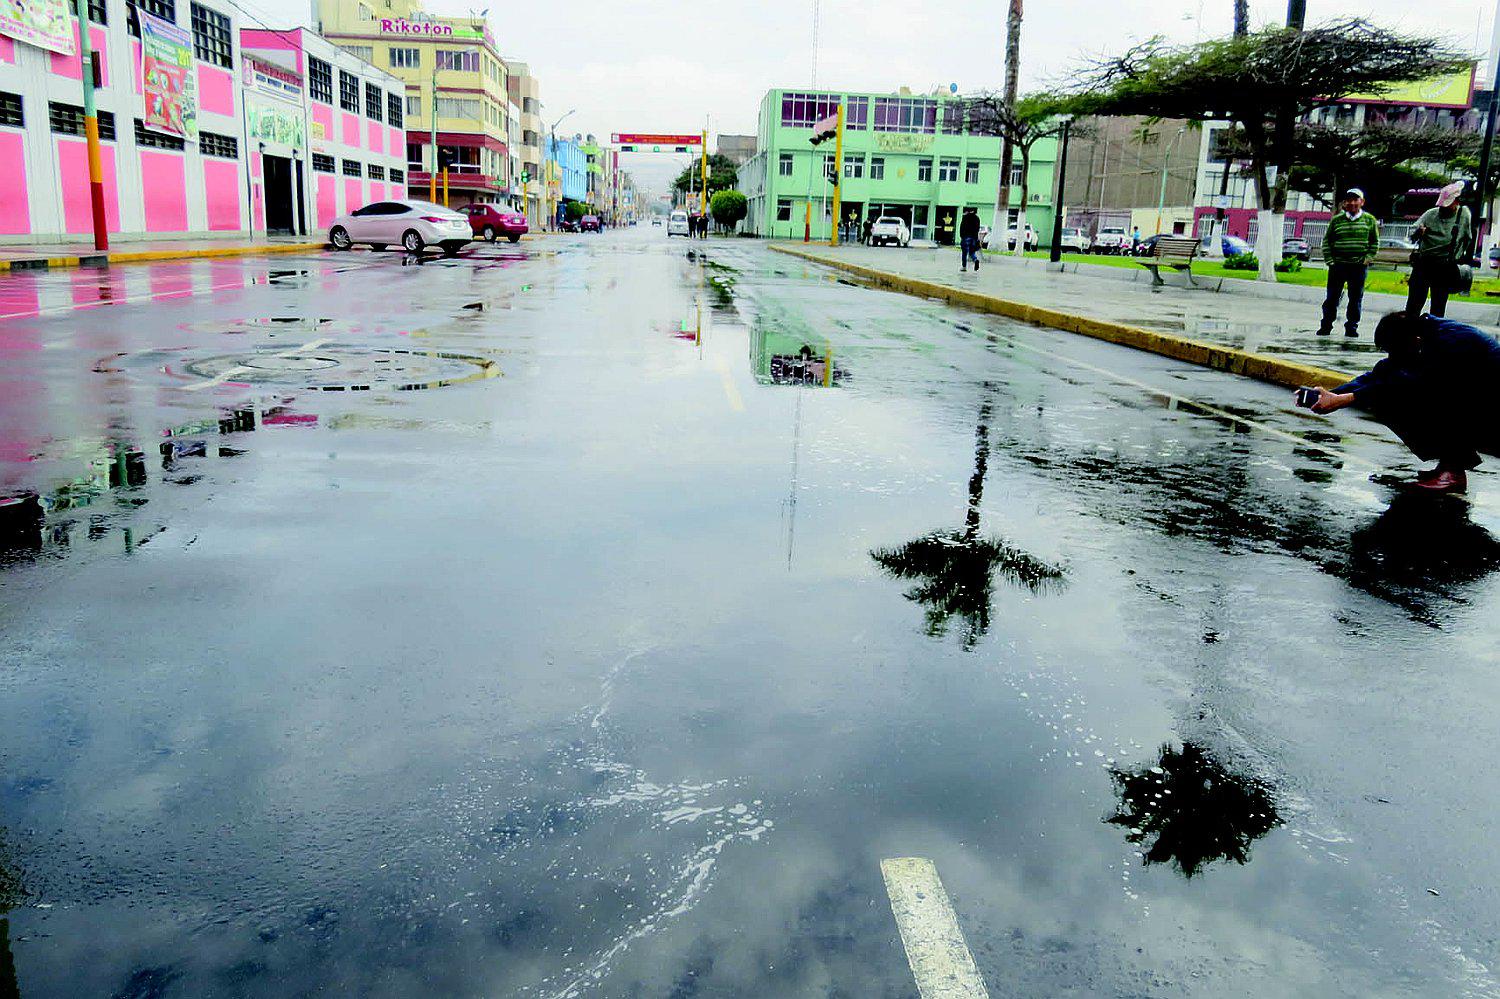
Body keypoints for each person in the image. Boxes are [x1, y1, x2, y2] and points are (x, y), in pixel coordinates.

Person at [1304, 311, 1500, 493]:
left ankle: (1454, 471)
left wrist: (1347, 399)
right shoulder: (1419, 336)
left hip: (1491, 414)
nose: (1392, 357)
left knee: (1403, 397)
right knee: (1391, 390)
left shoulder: (1451, 342)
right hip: (1477, 405)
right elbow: (1381, 373)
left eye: (1394, 351)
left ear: (1415, 342)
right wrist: (1333, 395)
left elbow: (1414, 385)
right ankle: (1449, 465)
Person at [1318, 187, 1380, 338]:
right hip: (1338, 265)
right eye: (1349, 200)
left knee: (1355, 298)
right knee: (1332, 298)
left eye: (1355, 200)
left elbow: (1374, 242)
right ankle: (1326, 325)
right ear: (1345, 203)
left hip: (1358, 266)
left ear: (1362, 202)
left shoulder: (1369, 220)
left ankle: (1351, 327)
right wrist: (1330, 261)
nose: (1352, 203)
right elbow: (1327, 241)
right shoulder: (1336, 220)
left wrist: (1367, 259)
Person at [1408, 181, 1473, 319]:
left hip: (1445, 264)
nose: (1444, 207)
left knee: (1439, 303)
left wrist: (1459, 255)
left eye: (1448, 204)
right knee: (1415, 301)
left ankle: (1434, 334)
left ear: (1456, 201)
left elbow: (1467, 238)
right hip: (1424, 262)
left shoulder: (1464, 215)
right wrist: (1419, 232)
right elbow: (1412, 234)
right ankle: (1410, 331)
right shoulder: (1431, 214)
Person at [959, 207, 982, 272]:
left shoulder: (965, 217)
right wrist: (976, 238)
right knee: (972, 251)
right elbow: (977, 229)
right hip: (973, 238)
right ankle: (975, 260)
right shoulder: (977, 218)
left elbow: (962, 227)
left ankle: (964, 267)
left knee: (964, 252)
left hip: (965, 237)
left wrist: (962, 236)